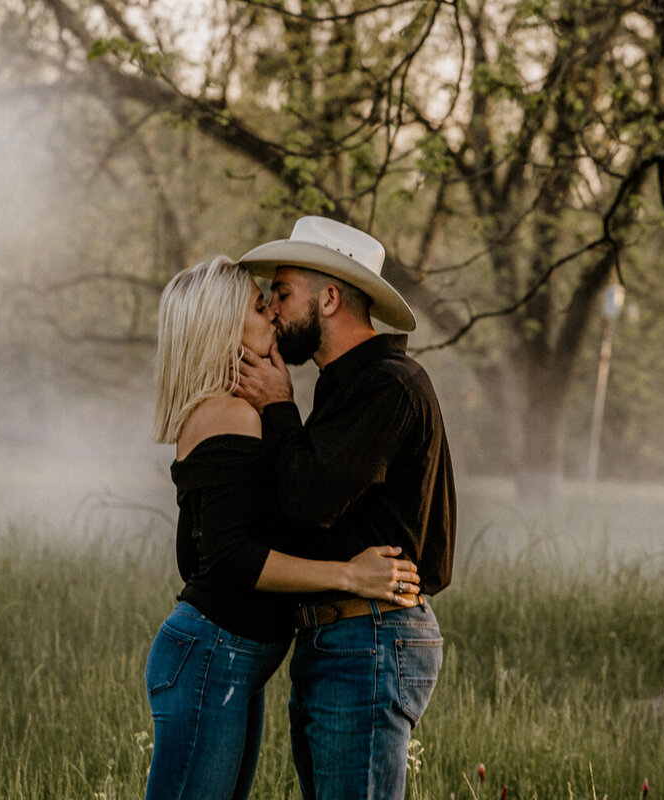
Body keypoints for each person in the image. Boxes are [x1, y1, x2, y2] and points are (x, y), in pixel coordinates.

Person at [145, 255, 424, 800]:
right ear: (224, 326)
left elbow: (198, 550)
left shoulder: (244, 409)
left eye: (273, 299)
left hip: (225, 661)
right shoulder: (230, 413)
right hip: (213, 657)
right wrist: (348, 576)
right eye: (258, 305)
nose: (273, 313)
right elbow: (227, 558)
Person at [235, 217, 456, 800]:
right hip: (345, 639)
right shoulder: (343, 387)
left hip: (371, 638)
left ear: (329, 298)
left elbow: (311, 502)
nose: (271, 307)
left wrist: (279, 408)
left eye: (282, 293)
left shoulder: (388, 385)